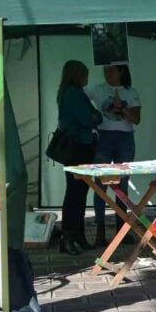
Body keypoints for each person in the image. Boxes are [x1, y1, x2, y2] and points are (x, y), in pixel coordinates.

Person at [86, 63, 141, 246]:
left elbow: (137, 120)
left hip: (125, 138)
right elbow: (81, 100)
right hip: (103, 138)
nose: (106, 72)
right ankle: (100, 232)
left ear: (121, 71)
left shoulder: (130, 92)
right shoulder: (97, 88)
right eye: (105, 69)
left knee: (122, 183)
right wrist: (92, 116)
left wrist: (122, 108)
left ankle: (122, 230)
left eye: (111, 69)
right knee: (100, 184)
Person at [56, 60, 100, 255]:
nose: (87, 78)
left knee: (79, 193)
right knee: (75, 193)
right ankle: (69, 237)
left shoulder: (72, 92)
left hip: (79, 146)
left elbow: (93, 116)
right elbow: (89, 118)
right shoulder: (73, 93)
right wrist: (94, 116)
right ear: (76, 75)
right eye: (85, 74)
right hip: (77, 147)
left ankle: (77, 235)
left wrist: (94, 115)